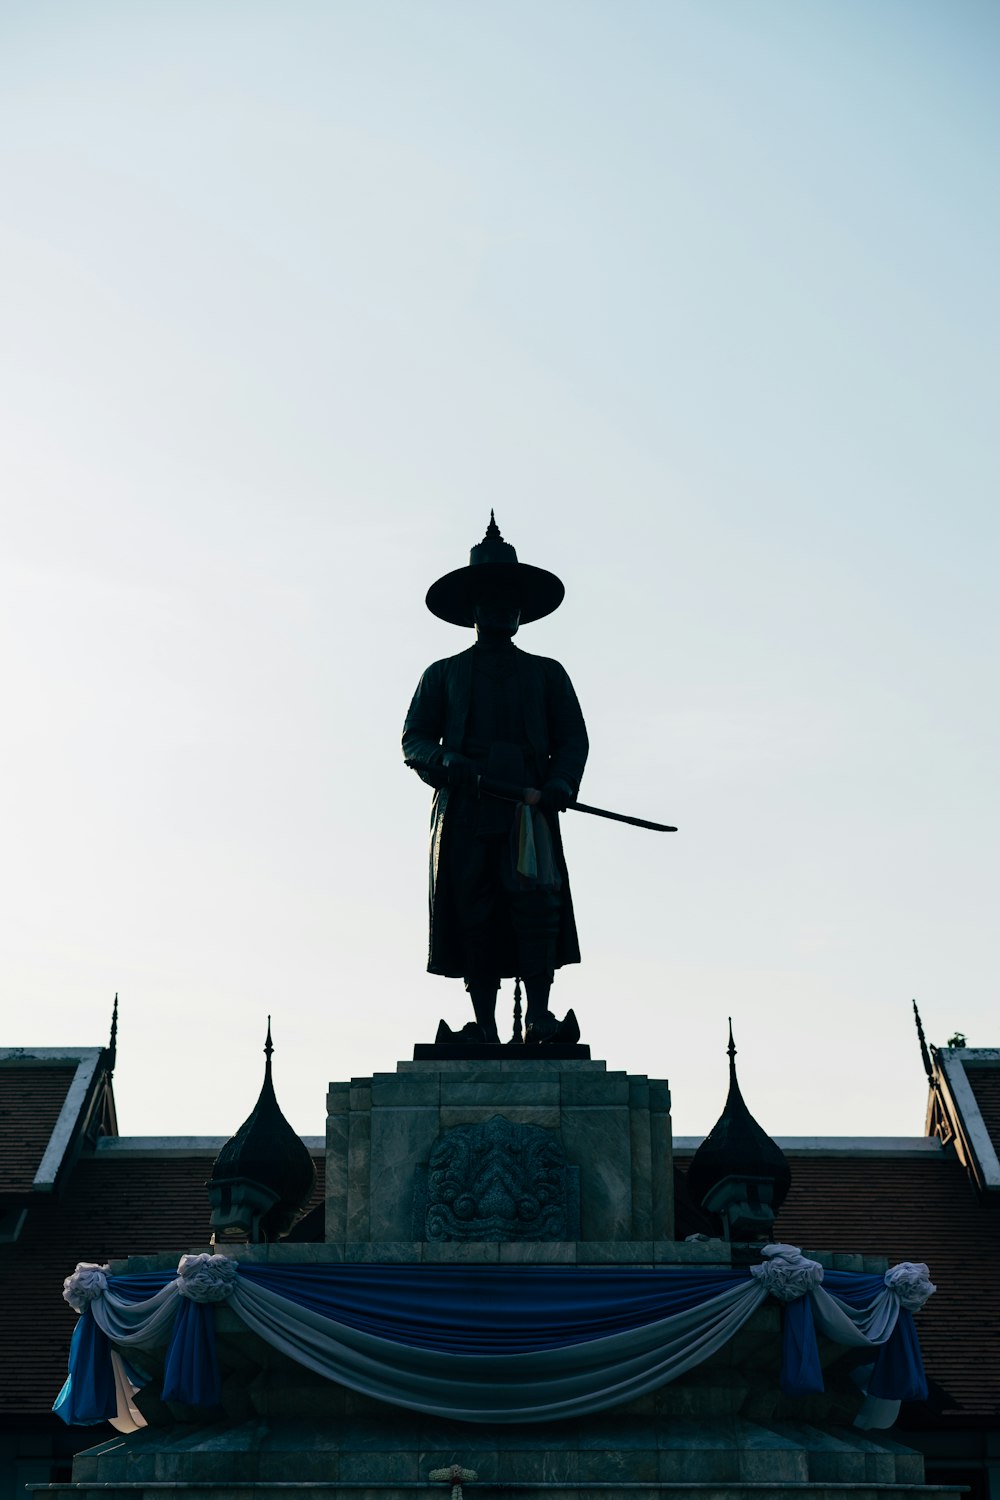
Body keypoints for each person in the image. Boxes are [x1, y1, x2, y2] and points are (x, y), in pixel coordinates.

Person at [402, 514, 589, 1045]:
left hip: (528, 808)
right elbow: (413, 740)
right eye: (492, 598)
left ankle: (538, 1018)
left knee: (535, 910)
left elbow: (573, 739)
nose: (503, 608)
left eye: (512, 600)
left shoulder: (546, 673)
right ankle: (482, 1025)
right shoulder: (443, 674)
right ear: (474, 610)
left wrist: (560, 783)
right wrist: (447, 763)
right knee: (474, 909)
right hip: (466, 810)